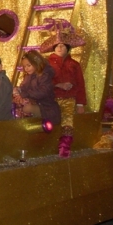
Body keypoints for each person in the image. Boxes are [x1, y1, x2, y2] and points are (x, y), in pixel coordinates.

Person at [40, 20, 86, 158]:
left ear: (68, 48)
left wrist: (80, 103)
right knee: (49, 123)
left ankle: (64, 149)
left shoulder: (74, 64)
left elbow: (80, 84)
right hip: (50, 99)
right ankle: (46, 147)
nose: (59, 48)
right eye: (57, 46)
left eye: (62, 45)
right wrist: (57, 85)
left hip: (69, 99)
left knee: (67, 123)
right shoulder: (46, 64)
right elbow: (42, 82)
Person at [14, 50, 61, 125]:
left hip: (46, 107)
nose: (26, 68)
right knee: (13, 107)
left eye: (28, 65)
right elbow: (23, 88)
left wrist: (25, 94)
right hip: (35, 104)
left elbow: (43, 92)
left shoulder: (45, 75)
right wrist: (18, 93)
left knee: (27, 109)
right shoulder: (29, 76)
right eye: (24, 66)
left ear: (36, 63)